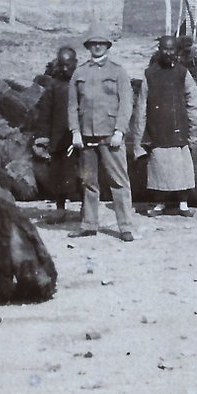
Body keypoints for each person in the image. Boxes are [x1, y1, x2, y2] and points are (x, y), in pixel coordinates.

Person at [67, 32, 137, 242]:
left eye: (101, 44)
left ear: (108, 46)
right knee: (88, 180)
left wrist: (120, 131)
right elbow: (72, 105)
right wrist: (75, 131)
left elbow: (126, 103)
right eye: (93, 44)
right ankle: (89, 224)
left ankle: (125, 227)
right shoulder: (79, 73)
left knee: (119, 181)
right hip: (86, 135)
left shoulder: (118, 72)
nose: (97, 47)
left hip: (111, 134)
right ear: (88, 46)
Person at [131, 35, 197, 218]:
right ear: (159, 50)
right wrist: (139, 140)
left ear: (177, 51)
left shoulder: (183, 73)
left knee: (182, 169)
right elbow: (141, 107)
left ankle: (183, 203)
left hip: (179, 129)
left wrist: (196, 132)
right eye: (164, 49)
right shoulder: (150, 74)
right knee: (159, 169)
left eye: (171, 49)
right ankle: (159, 203)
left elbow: (195, 103)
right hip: (158, 130)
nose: (168, 52)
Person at [31, 46, 81, 222]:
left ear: (75, 63)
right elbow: (44, 113)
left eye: (68, 64)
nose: (65, 68)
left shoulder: (82, 82)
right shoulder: (53, 86)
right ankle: (60, 209)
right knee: (59, 174)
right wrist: (43, 136)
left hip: (80, 136)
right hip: (59, 136)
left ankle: (86, 209)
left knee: (82, 172)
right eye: (62, 65)